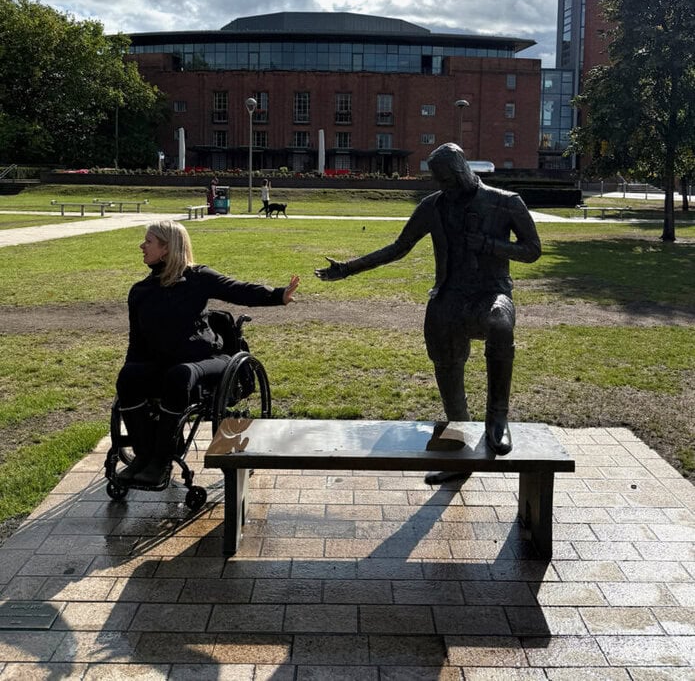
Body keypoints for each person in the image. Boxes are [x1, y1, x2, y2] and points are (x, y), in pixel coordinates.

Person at [315, 142, 541, 458]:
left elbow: (532, 250)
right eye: (439, 181)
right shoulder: (433, 207)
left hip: (491, 294)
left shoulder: (505, 203)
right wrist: (348, 269)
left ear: (464, 168)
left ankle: (497, 418)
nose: (444, 187)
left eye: (448, 179)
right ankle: (459, 432)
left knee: (500, 323)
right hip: (449, 299)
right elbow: (398, 248)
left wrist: (491, 245)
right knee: (443, 351)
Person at [117, 219, 300, 486]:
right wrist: (132, 372)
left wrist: (278, 295)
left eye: (148, 241)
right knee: (128, 376)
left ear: (167, 248)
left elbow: (238, 290)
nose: (141, 246)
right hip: (165, 365)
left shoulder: (197, 278)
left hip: (208, 360)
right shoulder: (140, 292)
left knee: (180, 374)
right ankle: (143, 457)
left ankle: (162, 461)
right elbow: (137, 342)